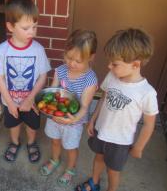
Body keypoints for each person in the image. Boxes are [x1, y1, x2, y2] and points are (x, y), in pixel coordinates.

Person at [75, 28, 159, 191]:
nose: (109, 66)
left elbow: (149, 124)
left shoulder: (147, 93)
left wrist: (139, 147)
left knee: (113, 170)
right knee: (98, 158)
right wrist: (93, 119)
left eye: (115, 64)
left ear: (135, 64)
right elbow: (103, 98)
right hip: (101, 131)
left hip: (120, 141)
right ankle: (94, 181)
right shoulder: (112, 76)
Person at [0, 0, 51, 163]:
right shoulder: (2, 51)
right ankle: (15, 142)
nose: (31, 32)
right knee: (13, 125)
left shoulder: (38, 49)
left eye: (34, 26)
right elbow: (0, 78)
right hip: (11, 101)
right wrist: (10, 102)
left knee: (32, 126)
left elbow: (42, 76)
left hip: (31, 102)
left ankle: (31, 143)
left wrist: (30, 99)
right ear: (10, 26)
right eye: (26, 28)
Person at [39, 29, 98, 186]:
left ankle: (70, 168)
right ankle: (55, 159)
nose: (71, 63)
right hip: (55, 117)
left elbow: (84, 106)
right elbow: (52, 92)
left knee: (71, 147)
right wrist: (45, 106)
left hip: (73, 122)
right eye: (68, 57)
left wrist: (72, 120)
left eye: (78, 61)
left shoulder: (90, 80)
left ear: (91, 57)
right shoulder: (61, 70)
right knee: (55, 142)